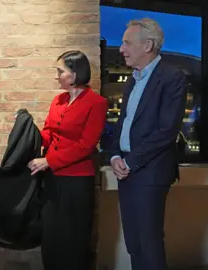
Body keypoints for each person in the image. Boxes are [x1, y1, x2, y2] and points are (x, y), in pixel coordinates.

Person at [109, 18, 187, 270]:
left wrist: (130, 161)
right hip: (127, 172)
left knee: (148, 242)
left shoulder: (172, 77)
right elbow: (123, 124)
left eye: (127, 43)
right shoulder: (132, 79)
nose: (121, 49)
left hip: (150, 173)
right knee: (134, 243)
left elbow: (167, 130)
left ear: (148, 45)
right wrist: (114, 157)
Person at [27, 50, 108, 270]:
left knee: (72, 239)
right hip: (52, 179)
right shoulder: (58, 100)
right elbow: (49, 134)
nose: (57, 76)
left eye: (60, 71)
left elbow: (85, 145)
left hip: (76, 183)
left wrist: (49, 161)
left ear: (74, 73)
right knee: (51, 237)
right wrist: (27, 131)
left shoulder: (96, 103)